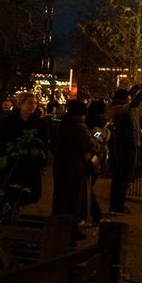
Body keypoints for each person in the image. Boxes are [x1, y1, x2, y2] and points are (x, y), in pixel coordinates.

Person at [0, 93, 49, 212]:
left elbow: (43, 143)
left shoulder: (39, 123)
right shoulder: (8, 121)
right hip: (11, 162)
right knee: (8, 190)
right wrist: (6, 150)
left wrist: (42, 161)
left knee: (26, 192)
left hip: (29, 163)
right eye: (30, 103)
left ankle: (17, 210)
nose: (33, 106)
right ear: (21, 104)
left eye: (35, 103)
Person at [108, 74, 142, 214]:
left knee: (120, 176)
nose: (130, 97)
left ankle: (116, 204)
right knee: (124, 177)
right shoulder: (125, 109)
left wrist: (137, 85)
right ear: (125, 99)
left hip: (124, 145)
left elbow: (131, 96)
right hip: (128, 145)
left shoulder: (118, 108)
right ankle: (118, 206)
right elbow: (136, 100)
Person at [52, 100, 94, 241]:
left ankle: (58, 225)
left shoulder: (62, 124)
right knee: (75, 198)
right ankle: (72, 228)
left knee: (61, 196)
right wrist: (95, 137)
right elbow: (89, 145)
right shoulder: (79, 127)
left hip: (61, 166)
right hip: (76, 166)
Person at [85, 99, 110, 225]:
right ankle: (95, 214)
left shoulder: (89, 122)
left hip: (93, 157)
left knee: (88, 187)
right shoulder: (98, 126)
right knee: (88, 187)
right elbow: (97, 139)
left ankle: (92, 214)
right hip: (96, 157)